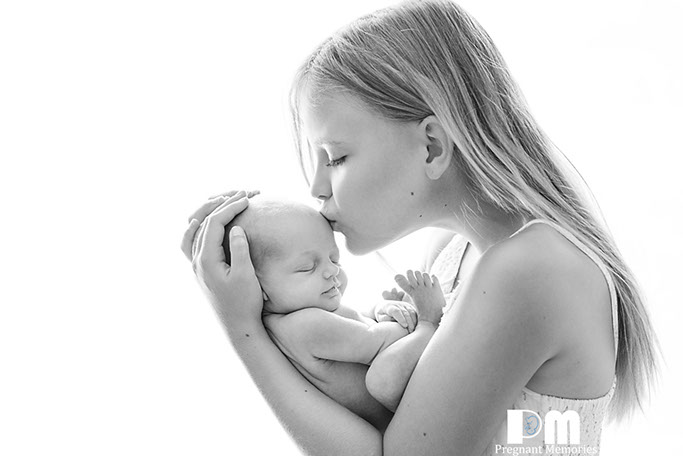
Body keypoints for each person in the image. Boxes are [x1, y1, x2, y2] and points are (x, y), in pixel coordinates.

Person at [181, 0, 660, 454]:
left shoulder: (529, 271)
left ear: (431, 146)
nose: (316, 187)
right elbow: (397, 427)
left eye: (336, 157)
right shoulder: (453, 253)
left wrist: (243, 329)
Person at [219, 195, 445, 426]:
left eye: (335, 260)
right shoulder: (302, 324)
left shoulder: (303, 310)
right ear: (258, 287)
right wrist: (416, 320)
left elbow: (359, 324)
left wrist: (380, 310)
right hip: (400, 413)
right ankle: (430, 323)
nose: (331, 271)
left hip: (401, 397)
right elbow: (374, 341)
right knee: (382, 377)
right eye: (308, 267)